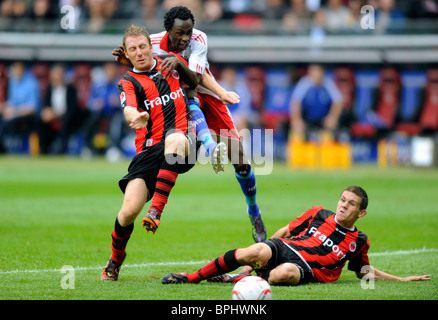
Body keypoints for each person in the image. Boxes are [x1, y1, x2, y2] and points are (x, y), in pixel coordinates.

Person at [113, 6, 267, 243]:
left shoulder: (198, 38)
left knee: (239, 157)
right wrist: (130, 59)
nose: (185, 38)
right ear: (167, 31)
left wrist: (221, 91)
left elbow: (196, 78)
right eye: (179, 33)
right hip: (180, 95)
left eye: (188, 32)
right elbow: (141, 64)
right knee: (186, 96)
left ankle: (253, 210)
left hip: (204, 90)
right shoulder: (150, 43)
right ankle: (208, 146)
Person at [162, 186, 431, 286]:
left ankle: (236, 278)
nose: (343, 205)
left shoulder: (359, 240)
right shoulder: (318, 213)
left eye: (351, 204)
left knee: (283, 275)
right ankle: (193, 277)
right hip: (285, 247)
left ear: (361, 213)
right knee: (252, 253)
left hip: (306, 267)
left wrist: (402, 279)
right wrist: (266, 246)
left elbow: (363, 272)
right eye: (342, 199)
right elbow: (286, 232)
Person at [101, 25, 203, 281]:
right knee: (127, 212)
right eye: (133, 49)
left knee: (175, 138)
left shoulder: (171, 63)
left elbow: (196, 82)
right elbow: (128, 109)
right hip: (148, 151)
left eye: (142, 46)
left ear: (150, 46)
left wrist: (180, 66)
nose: (139, 52)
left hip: (184, 140)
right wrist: (136, 116)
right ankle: (115, 259)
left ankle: (156, 210)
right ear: (126, 52)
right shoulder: (128, 82)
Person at [289, 64, 343, 141]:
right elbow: (295, 102)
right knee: (296, 129)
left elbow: (338, 101)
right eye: (314, 71)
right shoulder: (304, 83)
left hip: (323, 120)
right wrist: (297, 119)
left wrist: (333, 116)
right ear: (309, 72)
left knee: (332, 130)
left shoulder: (328, 83)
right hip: (307, 120)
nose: (317, 75)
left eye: (319, 72)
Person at [38, 64, 80, 154]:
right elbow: (46, 105)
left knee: (66, 123)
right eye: (55, 75)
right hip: (52, 117)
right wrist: (46, 113)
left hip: (66, 117)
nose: (57, 77)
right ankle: (43, 150)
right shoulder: (49, 89)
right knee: (40, 122)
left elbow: (73, 108)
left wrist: (58, 114)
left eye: (59, 74)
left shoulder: (71, 89)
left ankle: (60, 150)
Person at [0, 61, 39, 153]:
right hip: (14, 114)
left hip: (27, 116)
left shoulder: (31, 83)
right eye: (15, 69)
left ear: (23, 70)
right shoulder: (13, 82)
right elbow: (12, 102)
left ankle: (3, 150)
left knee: (4, 125)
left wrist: (14, 113)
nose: (16, 71)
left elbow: (32, 108)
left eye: (18, 69)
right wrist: (4, 107)